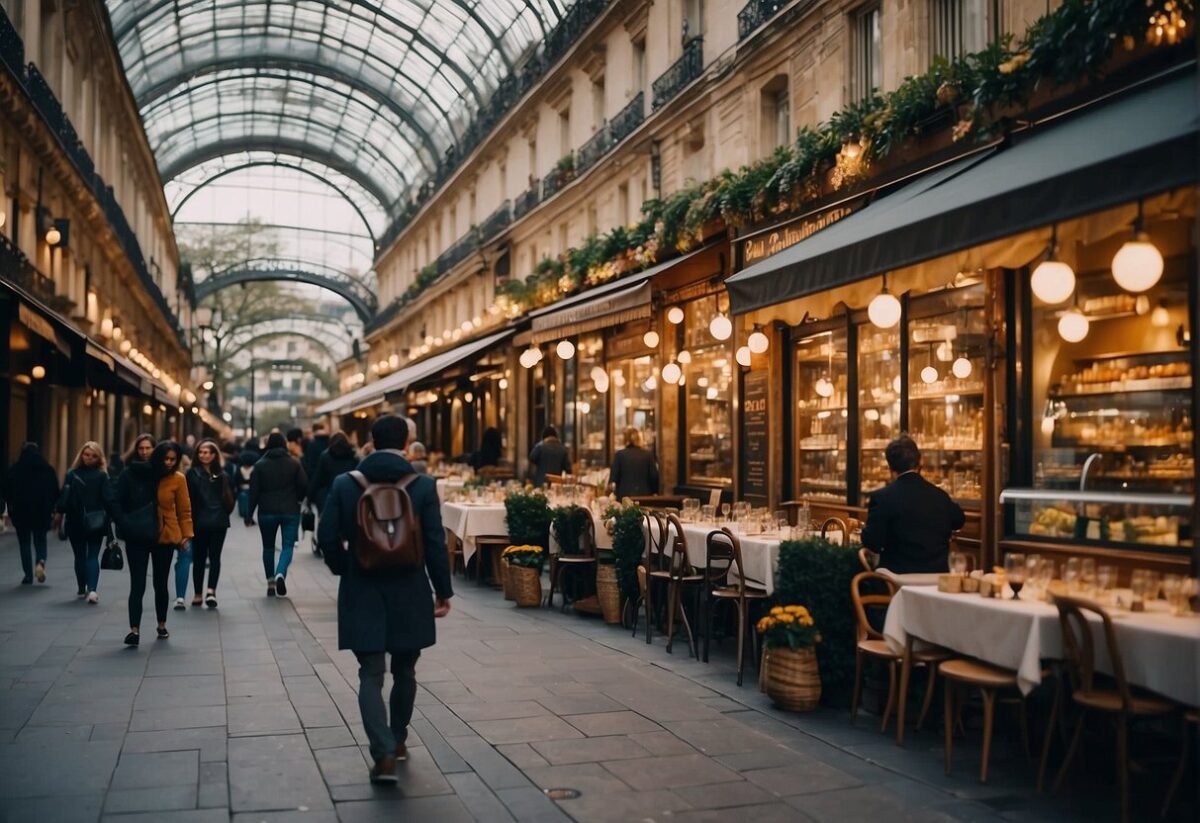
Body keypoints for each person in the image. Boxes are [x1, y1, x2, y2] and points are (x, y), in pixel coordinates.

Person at [318, 414, 452, 784]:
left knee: (370, 673)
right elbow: (436, 543)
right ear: (407, 443)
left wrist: (346, 566)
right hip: (410, 588)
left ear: (372, 441)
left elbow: (326, 535)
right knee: (406, 669)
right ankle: (399, 738)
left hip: (362, 588)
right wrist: (442, 590)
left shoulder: (346, 483)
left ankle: (383, 754)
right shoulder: (423, 485)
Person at [116, 439, 192, 645]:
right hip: (138, 534)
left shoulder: (178, 479)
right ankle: (134, 629)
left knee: (161, 582)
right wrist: (123, 523)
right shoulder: (140, 474)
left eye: (173, 460)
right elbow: (119, 499)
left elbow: (184, 510)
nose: (168, 462)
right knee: (137, 584)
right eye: (165, 458)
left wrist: (186, 535)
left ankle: (161, 624)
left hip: (165, 536)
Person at [861, 435, 966, 574]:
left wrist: (863, 530)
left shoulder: (882, 498)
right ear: (919, 461)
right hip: (936, 582)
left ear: (890, 467)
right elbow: (959, 520)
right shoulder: (940, 495)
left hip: (896, 582)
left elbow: (872, 543)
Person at [249, 431, 308, 597]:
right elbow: (304, 484)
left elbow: (254, 492)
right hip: (290, 510)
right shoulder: (294, 463)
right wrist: (298, 499)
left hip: (266, 511)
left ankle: (270, 582)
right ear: (284, 444)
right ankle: (280, 572)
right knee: (288, 546)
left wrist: (249, 514)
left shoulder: (260, 465)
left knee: (268, 547)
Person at [56, 442, 116, 602]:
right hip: (95, 520)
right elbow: (109, 499)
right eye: (87, 454)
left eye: (93, 456)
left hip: (75, 520)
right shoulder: (102, 476)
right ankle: (91, 590)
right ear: (81, 455)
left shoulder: (71, 474)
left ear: (99, 458)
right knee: (89, 556)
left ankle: (85, 588)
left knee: (81, 556)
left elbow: (63, 497)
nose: (89, 458)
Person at [3, 443, 61, 585]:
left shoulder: (15, 470)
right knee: (40, 539)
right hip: (42, 511)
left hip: (20, 512)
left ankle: (28, 575)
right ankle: (40, 562)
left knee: (24, 543)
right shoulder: (48, 470)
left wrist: (10, 507)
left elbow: (6, 491)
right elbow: (55, 491)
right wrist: (53, 509)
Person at [186, 439, 233, 609]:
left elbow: (229, 497)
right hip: (199, 522)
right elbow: (188, 499)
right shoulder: (191, 474)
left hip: (218, 522)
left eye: (206, 452)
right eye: (200, 452)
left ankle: (211, 591)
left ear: (214, 455)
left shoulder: (223, 475)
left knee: (215, 557)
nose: (203, 455)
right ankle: (198, 593)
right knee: (198, 558)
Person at [308, 431, 358, 512]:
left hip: (330, 495)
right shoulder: (353, 455)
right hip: (350, 496)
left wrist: (310, 497)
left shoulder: (325, 456)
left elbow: (317, 478)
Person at [608, 428, 659, 500]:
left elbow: (613, 479)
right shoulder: (648, 455)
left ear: (625, 439)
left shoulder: (620, 455)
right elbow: (654, 476)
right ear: (639, 439)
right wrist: (655, 492)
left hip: (624, 498)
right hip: (645, 497)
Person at [235, 445, 258, 526]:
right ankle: (249, 517)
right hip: (251, 489)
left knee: (244, 503)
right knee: (250, 504)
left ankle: (245, 515)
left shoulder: (240, 469)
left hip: (242, 489)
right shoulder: (254, 469)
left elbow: (237, 480)